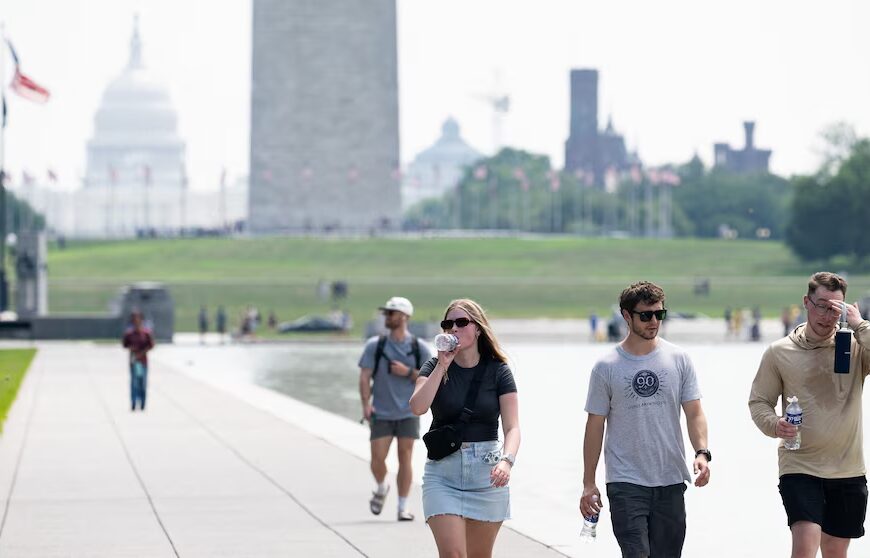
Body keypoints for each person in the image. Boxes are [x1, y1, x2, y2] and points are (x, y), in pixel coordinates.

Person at [580, 281, 711, 558]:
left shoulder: (679, 359)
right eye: (646, 315)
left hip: (670, 480)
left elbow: (695, 412)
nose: (654, 321)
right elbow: (595, 426)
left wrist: (702, 452)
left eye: (659, 314)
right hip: (625, 482)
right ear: (626, 316)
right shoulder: (606, 367)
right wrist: (588, 483)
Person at [748, 272, 870, 558]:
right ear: (806, 302)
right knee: (806, 543)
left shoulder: (854, 347)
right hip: (799, 465)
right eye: (822, 305)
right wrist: (774, 425)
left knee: (835, 553)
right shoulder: (779, 352)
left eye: (836, 309)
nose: (827, 316)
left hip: (848, 468)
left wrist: (859, 324)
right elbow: (759, 401)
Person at [409, 299, 520, 558]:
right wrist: (442, 365)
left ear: (478, 328)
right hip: (443, 475)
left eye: (461, 322)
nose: (454, 329)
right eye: (448, 324)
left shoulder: (498, 371)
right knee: (453, 555)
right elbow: (417, 407)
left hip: (487, 473)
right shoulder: (433, 365)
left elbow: (513, 427)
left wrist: (507, 461)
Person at [358, 297, 433, 521]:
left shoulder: (418, 347)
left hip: (408, 411)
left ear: (404, 317)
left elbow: (431, 378)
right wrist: (365, 405)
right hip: (381, 411)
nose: (387, 317)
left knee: (405, 458)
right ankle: (382, 487)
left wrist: (408, 372)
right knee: (377, 459)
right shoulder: (375, 345)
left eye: (391, 313)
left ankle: (402, 507)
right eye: (386, 313)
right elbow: (364, 376)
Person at [122, 310, 155, 411]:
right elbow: (124, 344)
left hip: (142, 361)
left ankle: (142, 403)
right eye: (134, 319)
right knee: (134, 383)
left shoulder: (146, 333)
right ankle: (133, 403)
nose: (136, 320)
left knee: (142, 383)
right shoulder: (129, 333)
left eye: (138, 318)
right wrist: (131, 348)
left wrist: (143, 351)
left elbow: (151, 345)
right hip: (134, 362)